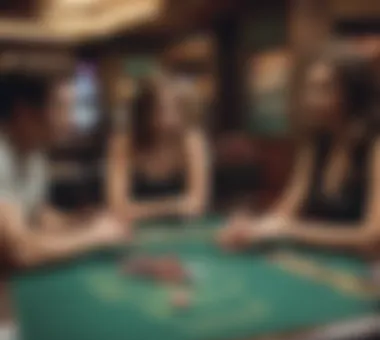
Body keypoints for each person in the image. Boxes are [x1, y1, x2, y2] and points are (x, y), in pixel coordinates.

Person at [218, 52, 380, 253]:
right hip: (324, 262)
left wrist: (291, 231)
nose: (310, 98)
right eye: (310, 87)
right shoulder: (317, 142)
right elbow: (285, 212)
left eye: (324, 88)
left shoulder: (374, 143)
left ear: (353, 92)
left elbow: (372, 237)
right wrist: (252, 228)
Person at [0, 71, 129, 270]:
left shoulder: (33, 152)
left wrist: (78, 220)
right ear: (23, 113)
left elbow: (37, 216)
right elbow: (20, 252)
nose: (70, 120)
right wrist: (94, 236)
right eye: (60, 108)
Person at [106, 74, 210, 222]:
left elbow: (197, 205)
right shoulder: (123, 142)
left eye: (175, 108)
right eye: (160, 108)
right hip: (133, 233)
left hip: (182, 229)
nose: (168, 117)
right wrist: (177, 206)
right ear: (144, 110)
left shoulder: (192, 140)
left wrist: (140, 209)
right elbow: (118, 208)